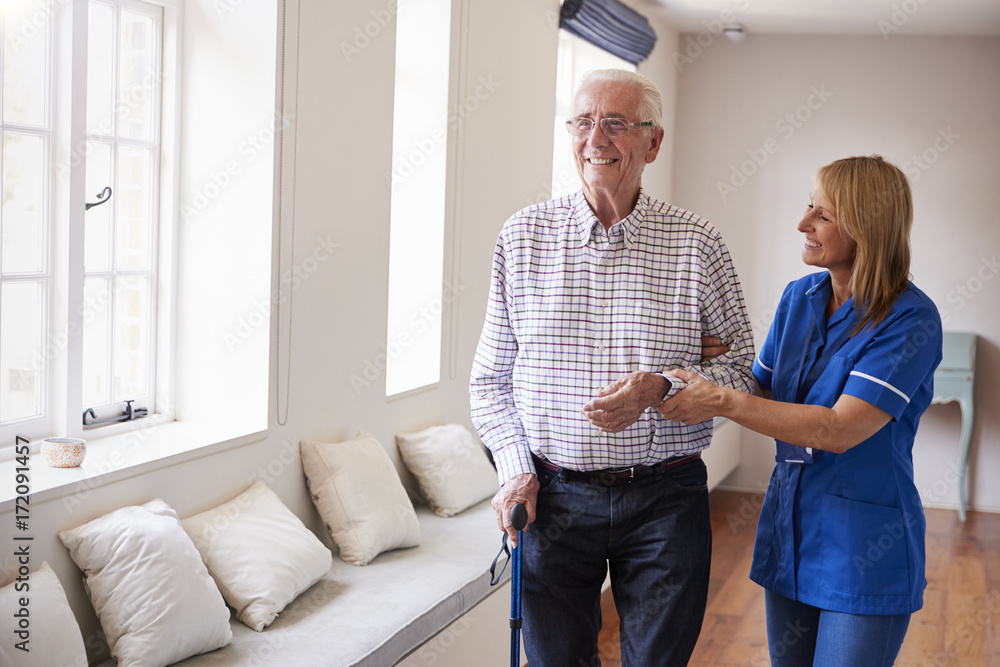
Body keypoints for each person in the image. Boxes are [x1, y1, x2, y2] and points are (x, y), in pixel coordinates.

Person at [469, 68, 756, 666]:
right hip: (551, 494)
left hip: (666, 498)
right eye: (582, 121)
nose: (595, 138)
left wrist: (663, 385)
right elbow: (491, 381)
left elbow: (745, 371)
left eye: (617, 124)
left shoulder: (697, 243)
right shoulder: (522, 236)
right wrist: (516, 471)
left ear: (653, 143)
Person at [659, 155, 941, 666]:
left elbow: (837, 429)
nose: (802, 224)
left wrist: (721, 397)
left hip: (863, 546)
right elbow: (762, 394)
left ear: (866, 226)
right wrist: (692, 370)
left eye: (822, 215)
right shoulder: (799, 297)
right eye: (808, 207)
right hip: (791, 527)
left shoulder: (910, 319)